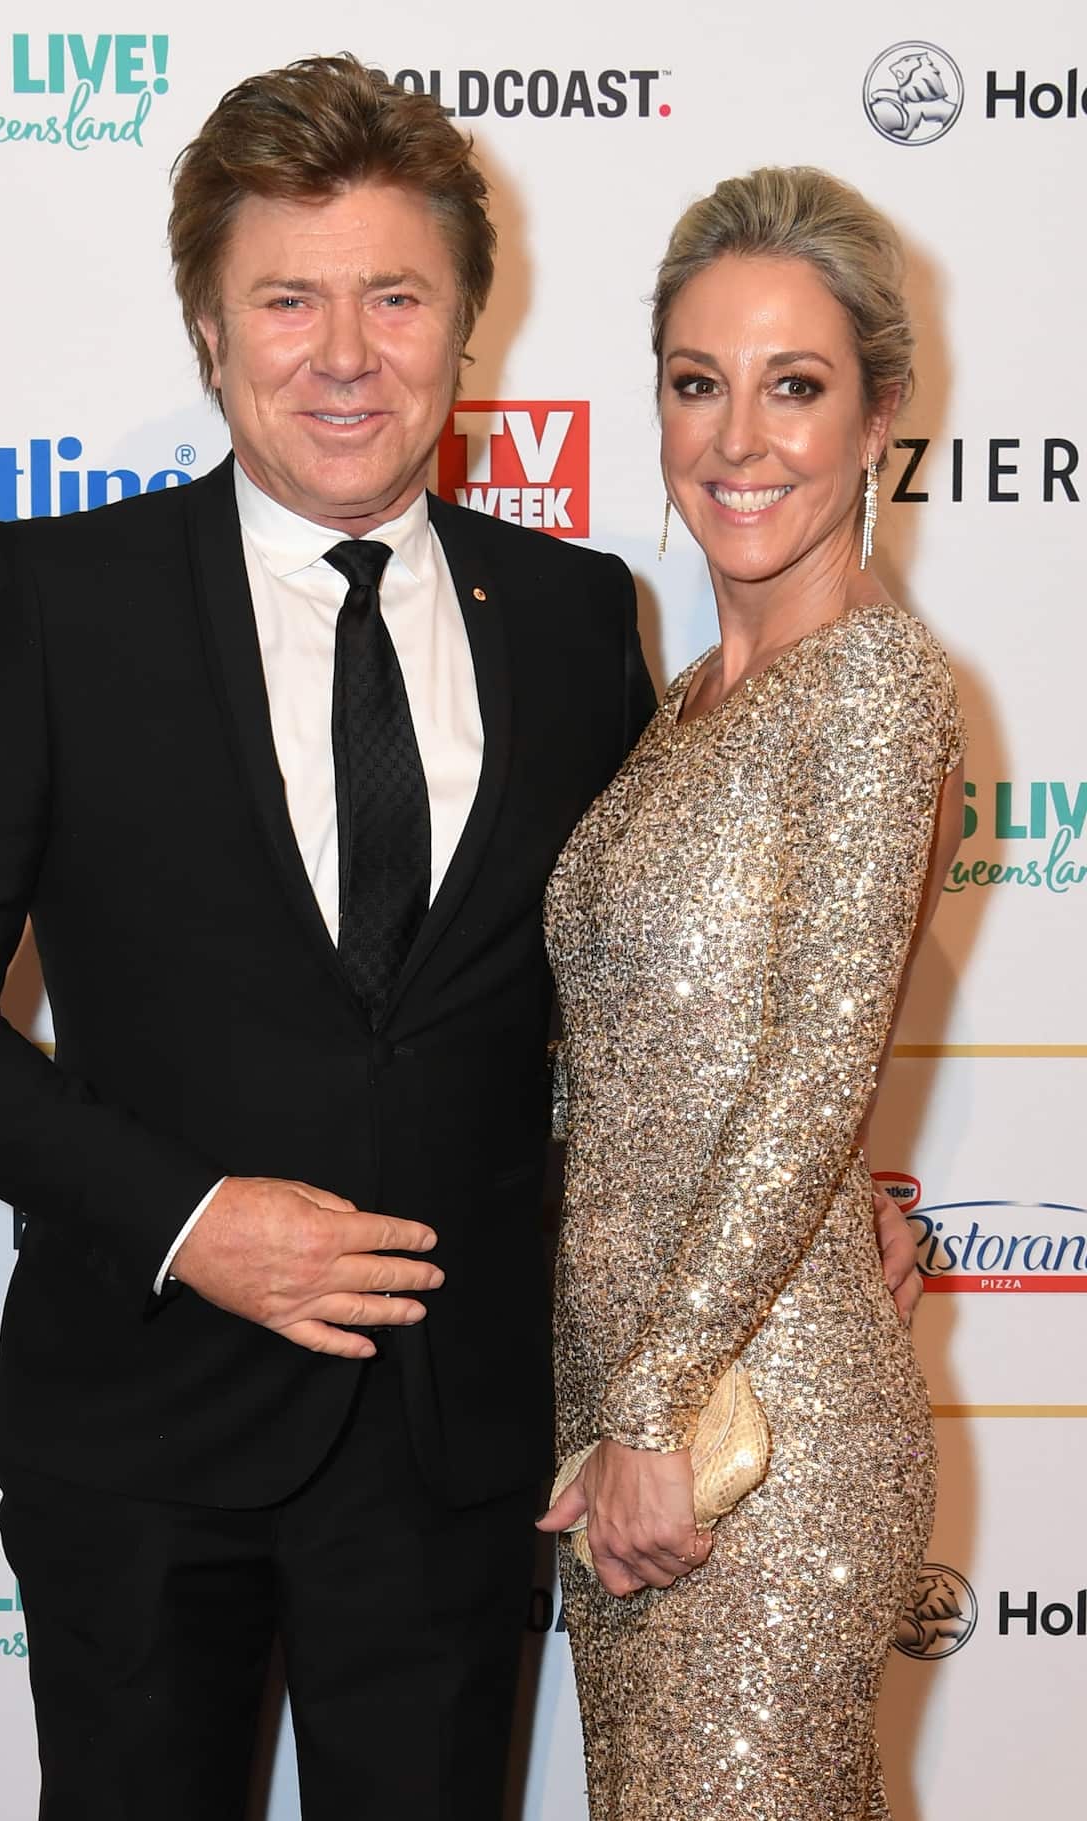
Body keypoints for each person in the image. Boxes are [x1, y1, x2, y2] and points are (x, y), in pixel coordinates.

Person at [0, 58, 922, 1819]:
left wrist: (823, 1209)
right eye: (289, 300)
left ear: (465, 327)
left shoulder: (574, 617)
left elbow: (657, 985)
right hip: (139, 1441)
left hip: (451, 1457)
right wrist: (189, 1217)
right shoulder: (65, 601)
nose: (346, 354)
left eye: (396, 297)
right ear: (209, 328)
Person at [540, 166, 963, 1820]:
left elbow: (809, 1071)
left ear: (879, 419)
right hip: (639, 1428)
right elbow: (630, 1069)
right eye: (696, 382)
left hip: (753, 1447)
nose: (737, 439)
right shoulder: (685, 705)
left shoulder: (876, 683)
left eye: (794, 386)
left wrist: (651, 1405)